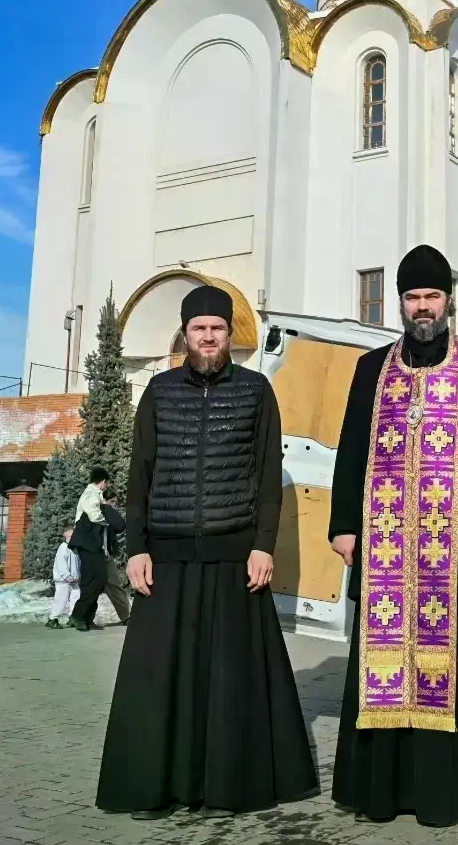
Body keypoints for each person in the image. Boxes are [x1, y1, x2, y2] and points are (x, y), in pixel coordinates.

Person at [328, 244, 458, 827]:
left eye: (432, 296)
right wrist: (344, 524)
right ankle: (382, 792)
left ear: (449, 301)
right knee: (383, 661)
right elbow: (351, 451)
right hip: (387, 548)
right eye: (413, 297)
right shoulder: (372, 370)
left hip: (455, 549)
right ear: (400, 303)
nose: (422, 308)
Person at [96, 284, 316, 820]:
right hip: (167, 560)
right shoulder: (159, 392)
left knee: (229, 682)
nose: (209, 337)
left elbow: (267, 480)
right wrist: (136, 548)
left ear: (228, 335)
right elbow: (140, 475)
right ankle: (154, 787)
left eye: (217, 329)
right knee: (159, 682)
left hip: (232, 558)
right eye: (199, 329)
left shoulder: (256, 391)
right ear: (186, 334)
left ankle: (229, 787)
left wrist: (264, 547)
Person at [68, 466, 125, 631]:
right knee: (99, 579)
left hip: (92, 544)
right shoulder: (91, 494)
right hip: (88, 543)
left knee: (89, 582)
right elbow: (94, 515)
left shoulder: (95, 494)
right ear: (102, 482)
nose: (107, 486)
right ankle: (78, 615)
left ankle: (86, 618)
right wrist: (108, 520)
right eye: (107, 483)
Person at [48, 526, 79, 630]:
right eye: (71, 534)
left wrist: (77, 576)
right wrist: (68, 577)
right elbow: (62, 565)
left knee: (76, 598)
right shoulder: (63, 548)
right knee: (61, 599)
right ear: (65, 535)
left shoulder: (74, 548)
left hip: (75, 580)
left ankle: (72, 617)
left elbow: (77, 564)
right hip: (63, 580)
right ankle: (53, 618)